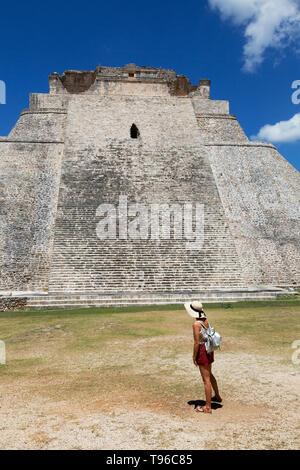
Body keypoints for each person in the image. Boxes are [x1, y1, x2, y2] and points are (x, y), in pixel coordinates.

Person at [184, 301, 222, 414]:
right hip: (208, 349)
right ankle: (217, 396)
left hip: (202, 350)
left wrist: (194, 356)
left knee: (206, 380)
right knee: (209, 375)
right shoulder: (205, 321)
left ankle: (208, 407)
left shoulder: (196, 324)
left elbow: (196, 342)